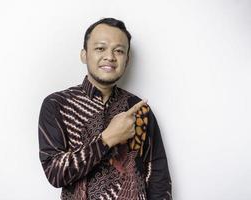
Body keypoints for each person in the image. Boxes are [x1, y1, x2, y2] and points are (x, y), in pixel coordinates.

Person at [38, 17, 172, 200]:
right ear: (84, 54)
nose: (110, 56)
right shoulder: (57, 105)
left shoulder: (139, 109)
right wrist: (107, 138)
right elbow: (55, 173)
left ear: (127, 59)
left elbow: (158, 176)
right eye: (100, 48)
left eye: (119, 50)